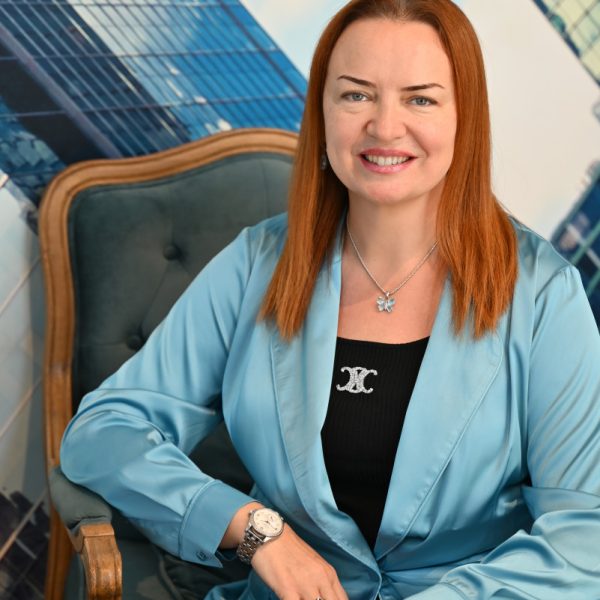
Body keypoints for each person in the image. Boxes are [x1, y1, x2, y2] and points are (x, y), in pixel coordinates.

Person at [60, 0, 600, 598]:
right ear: (323, 110)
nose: (385, 127)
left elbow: (586, 536)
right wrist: (254, 529)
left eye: (420, 99)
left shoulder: (545, 296)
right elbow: (104, 430)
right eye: (356, 95)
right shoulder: (258, 262)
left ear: (465, 117)